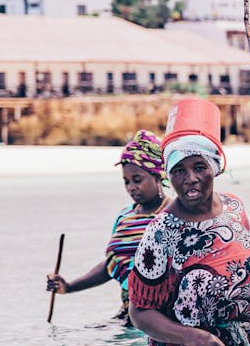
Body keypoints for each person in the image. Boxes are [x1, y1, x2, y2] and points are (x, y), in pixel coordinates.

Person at [128, 98, 250, 346]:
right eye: (179, 170)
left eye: (199, 167)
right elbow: (140, 312)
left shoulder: (234, 207)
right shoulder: (161, 231)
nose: (189, 178)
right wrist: (195, 338)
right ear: (168, 175)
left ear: (215, 168)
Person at [46, 130, 169, 321]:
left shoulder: (172, 213)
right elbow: (112, 266)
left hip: (165, 315)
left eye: (137, 180)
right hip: (130, 314)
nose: (131, 187)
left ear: (157, 175)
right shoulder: (125, 217)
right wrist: (69, 287)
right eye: (126, 181)